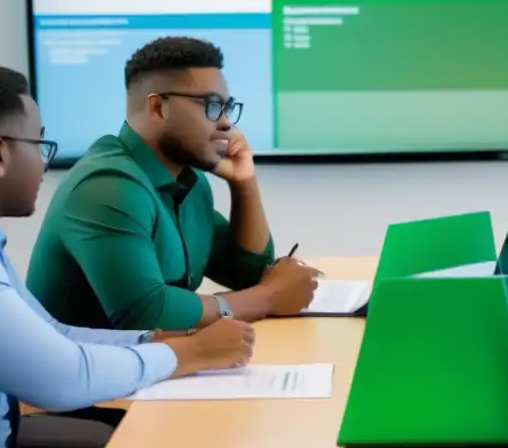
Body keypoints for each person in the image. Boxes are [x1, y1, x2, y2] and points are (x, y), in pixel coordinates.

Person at [0, 63, 256, 448]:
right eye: (39, 144)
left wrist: (153, 341)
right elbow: (59, 378)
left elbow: (54, 333)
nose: (44, 162)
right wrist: (190, 354)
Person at [26, 37, 317, 331]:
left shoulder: (189, 181)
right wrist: (267, 297)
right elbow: (147, 315)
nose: (227, 123)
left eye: (228, 107)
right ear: (157, 108)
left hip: (152, 367)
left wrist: (245, 183)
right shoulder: (107, 187)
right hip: (90, 373)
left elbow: (250, 274)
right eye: (212, 106)